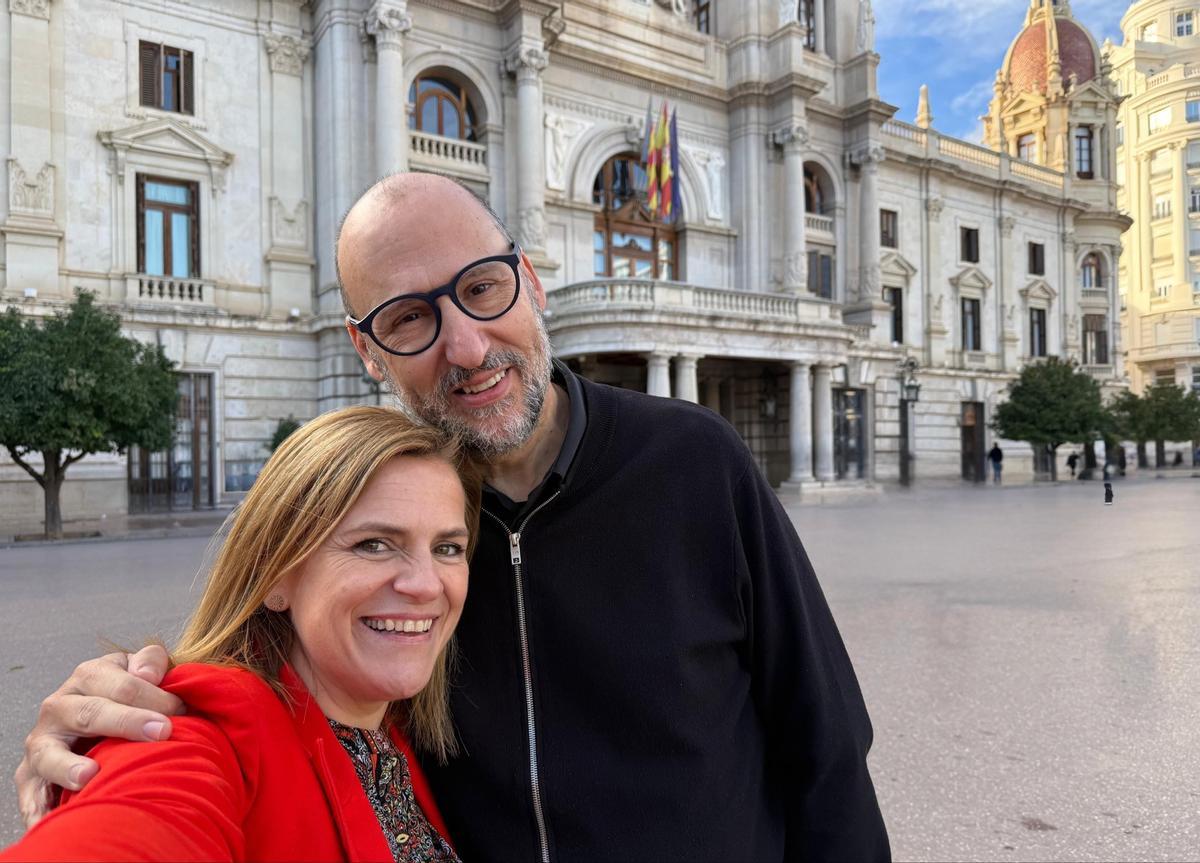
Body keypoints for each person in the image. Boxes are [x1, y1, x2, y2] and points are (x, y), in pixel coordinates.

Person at [15, 174, 889, 862]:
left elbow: (826, 744)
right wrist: (112, 722)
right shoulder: (389, 491)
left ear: (531, 281)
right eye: (408, 319)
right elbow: (245, 691)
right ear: (366, 349)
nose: (465, 346)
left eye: (481, 287)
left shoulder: (697, 461)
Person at [4, 406, 480, 861]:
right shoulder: (194, 729)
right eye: (373, 544)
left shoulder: (398, 727)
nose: (424, 584)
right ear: (275, 577)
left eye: (447, 547)